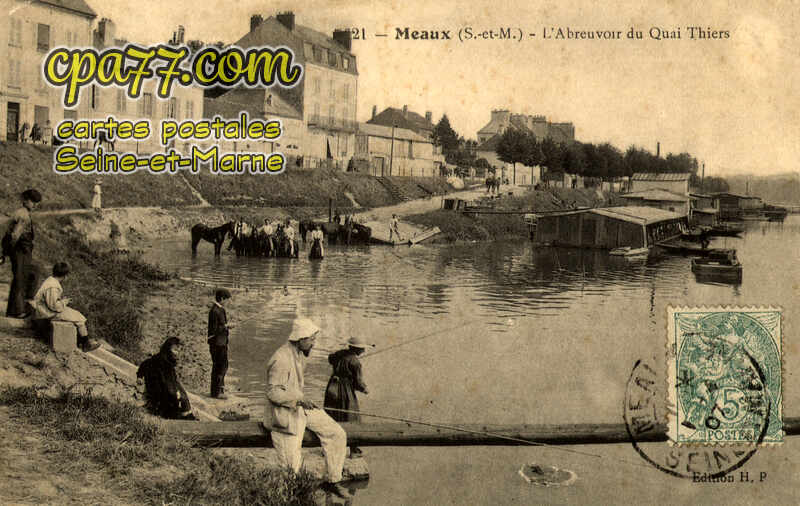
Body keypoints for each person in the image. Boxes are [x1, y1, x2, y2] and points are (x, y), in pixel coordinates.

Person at [264, 318, 350, 498]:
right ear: (300, 339)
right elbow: (273, 393)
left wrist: (301, 400)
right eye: (311, 340)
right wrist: (299, 400)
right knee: (291, 470)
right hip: (283, 417)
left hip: (299, 408)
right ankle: (291, 498)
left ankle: (333, 480)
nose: (314, 343)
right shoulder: (281, 359)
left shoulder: (297, 354)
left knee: (337, 434)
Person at [31, 262, 101, 352]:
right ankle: (85, 343)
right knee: (79, 318)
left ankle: (81, 340)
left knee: (75, 314)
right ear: (65, 275)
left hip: (44, 309)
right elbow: (54, 307)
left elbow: (52, 301)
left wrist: (62, 301)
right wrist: (64, 302)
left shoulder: (50, 280)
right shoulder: (53, 286)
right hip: (46, 313)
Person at [324, 336, 372, 457]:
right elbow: (358, 383)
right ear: (357, 349)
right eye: (362, 349)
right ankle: (354, 450)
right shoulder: (355, 362)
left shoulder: (339, 354)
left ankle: (329, 447)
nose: (364, 351)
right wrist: (365, 389)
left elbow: (330, 358)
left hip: (332, 388)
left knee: (332, 415)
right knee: (351, 417)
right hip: (345, 390)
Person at [136, 337, 196, 420]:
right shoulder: (166, 365)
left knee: (181, 396)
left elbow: (144, 365)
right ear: (168, 349)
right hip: (160, 397)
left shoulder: (157, 358)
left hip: (156, 395)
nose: (177, 353)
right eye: (175, 350)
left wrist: (139, 376)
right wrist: (177, 394)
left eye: (178, 350)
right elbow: (168, 386)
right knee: (181, 401)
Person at [4, 189, 42, 318]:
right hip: (20, 250)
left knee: (26, 275)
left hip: (21, 250)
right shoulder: (24, 216)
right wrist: (11, 250)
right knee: (21, 278)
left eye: (37, 203)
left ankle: (14, 309)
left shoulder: (21, 212)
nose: (35, 205)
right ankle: (18, 311)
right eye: (33, 202)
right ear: (25, 200)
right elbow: (15, 235)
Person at [208, 288, 234, 399]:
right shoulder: (214, 311)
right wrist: (226, 327)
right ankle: (216, 393)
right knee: (219, 367)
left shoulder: (220, 310)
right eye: (227, 300)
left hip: (222, 342)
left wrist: (226, 326)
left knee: (224, 365)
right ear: (222, 299)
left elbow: (221, 326)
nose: (228, 302)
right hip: (217, 344)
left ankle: (220, 388)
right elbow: (214, 331)